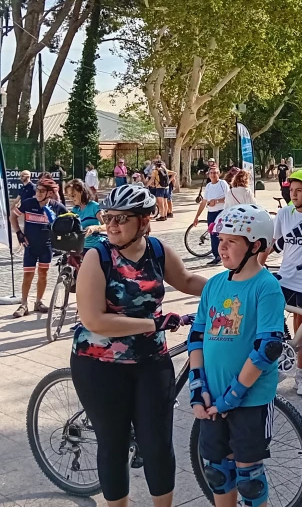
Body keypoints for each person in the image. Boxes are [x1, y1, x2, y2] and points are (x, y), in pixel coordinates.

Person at [71, 185, 206, 507]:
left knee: (157, 443)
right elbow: (94, 320)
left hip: (150, 360)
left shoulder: (157, 251)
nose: (112, 225)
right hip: (99, 364)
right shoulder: (98, 256)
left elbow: (186, 281)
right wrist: (153, 324)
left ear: (144, 221)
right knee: (113, 443)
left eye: (122, 218)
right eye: (108, 217)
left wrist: (238, 285)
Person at [189, 204, 284, 507]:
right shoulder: (215, 284)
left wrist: (233, 395)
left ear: (255, 245)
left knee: (250, 479)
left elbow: (268, 348)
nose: (222, 247)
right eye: (221, 240)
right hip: (212, 397)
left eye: (232, 241)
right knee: (217, 472)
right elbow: (197, 337)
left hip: (250, 400)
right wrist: (197, 387)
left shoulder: (266, 286)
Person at [261, 171, 302, 396]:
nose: (294, 194)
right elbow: (271, 243)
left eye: (299, 190)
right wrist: (259, 269)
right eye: (291, 190)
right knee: (271, 320)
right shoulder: (284, 213)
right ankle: (275, 365)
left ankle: (301, 377)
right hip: (285, 277)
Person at [10, 176, 67, 317]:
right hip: (30, 246)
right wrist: (19, 233)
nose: (38, 193)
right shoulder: (28, 203)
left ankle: (38, 302)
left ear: (49, 193)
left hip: (46, 247)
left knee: (43, 274)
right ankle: (23, 305)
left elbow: (69, 220)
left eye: (42, 191)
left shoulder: (56, 206)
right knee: (28, 275)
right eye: (37, 189)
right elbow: (12, 216)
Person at [193, 167, 230, 266]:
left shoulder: (222, 184)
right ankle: (216, 256)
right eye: (211, 173)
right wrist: (197, 217)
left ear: (219, 174)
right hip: (211, 213)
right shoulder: (208, 186)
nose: (213, 175)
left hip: (221, 212)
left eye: (215, 173)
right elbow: (204, 202)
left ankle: (223, 255)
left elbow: (229, 198)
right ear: (208, 175)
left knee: (221, 235)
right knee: (212, 235)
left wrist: (216, 201)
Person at [65, 179, 105, 250]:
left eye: (73, 195)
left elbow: (107, 226)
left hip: (96, 247)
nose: (71, 198)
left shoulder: (94, 206)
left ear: (81, 192)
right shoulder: (74, 210)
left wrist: (94, 228)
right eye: (69, 196)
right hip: (80, 248)